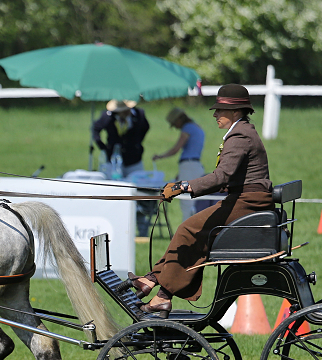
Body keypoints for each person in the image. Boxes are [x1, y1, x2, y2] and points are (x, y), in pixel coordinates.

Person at [118, 84, 273, 318]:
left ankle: (159, 292)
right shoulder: (242, 131)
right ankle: (152, 282)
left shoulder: (240, 135)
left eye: (219, 110)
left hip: (247, 202)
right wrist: (186, 186)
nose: (215, 114)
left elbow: (222, 176)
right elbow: (229, 177)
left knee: (188, 229)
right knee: (189, 230)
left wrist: (183, 186)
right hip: (244, 198)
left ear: (235, 111)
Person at [92, 99, 153, 235]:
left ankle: (141, 228)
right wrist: (103, 147)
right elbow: (95, 129)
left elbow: (145, 128)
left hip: (134, 159)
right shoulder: (107, 116)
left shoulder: (140, 115)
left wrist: (137, 143)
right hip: (113, 159)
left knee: (139, 191)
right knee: (112, 189)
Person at [152, 108, 206, 221]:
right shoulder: (197, 127)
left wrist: (160, 156)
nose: (175, 127)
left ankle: (186, 229)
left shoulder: (187, 129)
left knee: (186, 202)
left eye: (174, 123)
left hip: (189, 166)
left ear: (179, 119)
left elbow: (176, 149)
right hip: (196, 166)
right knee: (195, 201)